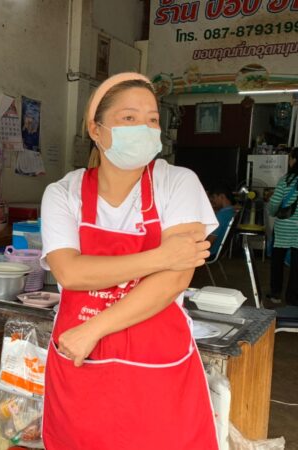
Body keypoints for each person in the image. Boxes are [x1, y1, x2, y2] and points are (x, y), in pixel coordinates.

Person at [40, 72, 218, 449]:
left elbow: (174, 279)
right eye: (129, 118)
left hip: (153, 365)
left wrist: (93, 329)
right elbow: (70, 272)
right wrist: (161, 256)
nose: (144, 128)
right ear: (96, 129)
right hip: (81, 367)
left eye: (152, 119)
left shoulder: (177, 182)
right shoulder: (64, 193)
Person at [267, 147, 298, 305]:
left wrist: (272, 212)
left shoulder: (286, 180)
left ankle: (276, 294)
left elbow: (274, 202)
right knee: (296, 265)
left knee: (277, 261)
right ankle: (293, 297)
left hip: (283, 228)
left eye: (290, 158)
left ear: (294, 160)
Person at [208, 185, 236, 258]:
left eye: (214, 197)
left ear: (222, 196)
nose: (212, 201)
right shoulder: (231, 212)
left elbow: (210, 241)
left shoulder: (221, 216)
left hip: (211, 253)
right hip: (220, 253)